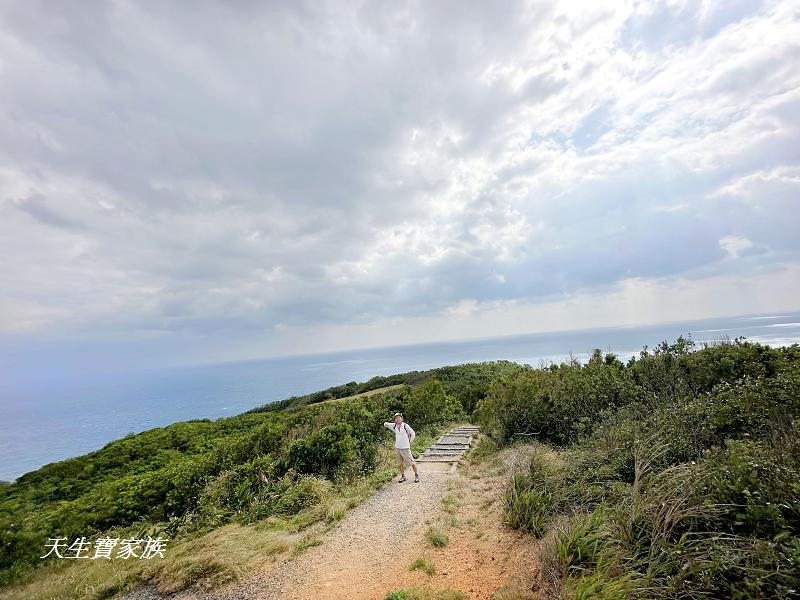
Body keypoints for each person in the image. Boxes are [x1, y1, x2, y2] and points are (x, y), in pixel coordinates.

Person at [383, 412, 419, 483]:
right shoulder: (394, 426)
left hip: (405, 448)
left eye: (399, 417)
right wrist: (386, 424)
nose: (398, 419)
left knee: (411, 462)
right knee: (400, 463)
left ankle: (416, 475)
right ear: (395, 420)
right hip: (398, 448)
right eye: (396, 418)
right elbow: (386, 424)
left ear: (402, 418)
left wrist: (410, 442)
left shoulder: (405, 426)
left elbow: (413, 433)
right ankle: (403, 476)